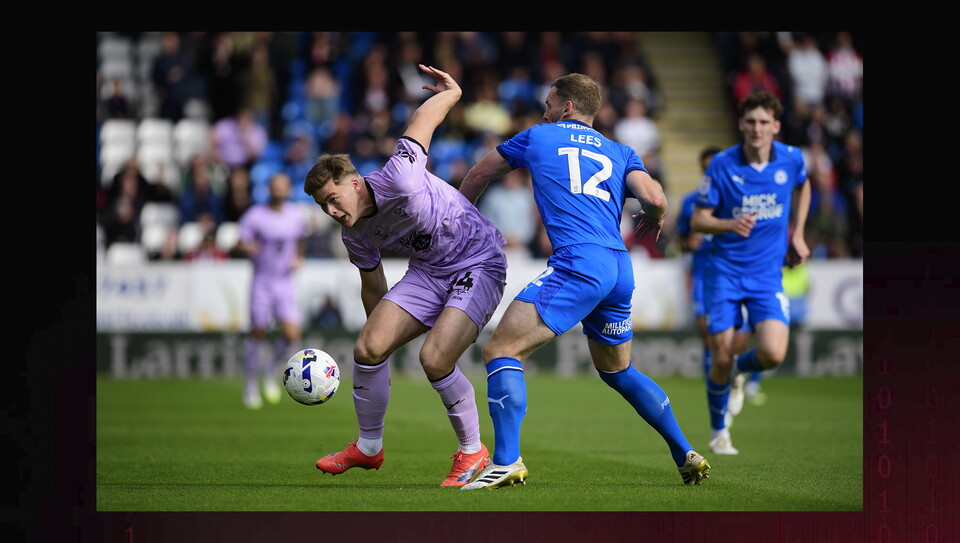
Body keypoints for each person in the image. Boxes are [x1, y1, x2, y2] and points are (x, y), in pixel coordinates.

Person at [458, 72, 711, 490]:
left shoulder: (539, 136)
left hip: (578, 263)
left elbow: (478, 175)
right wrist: (656, 219)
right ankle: (684, 451)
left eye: (549, 104)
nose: (545, 111)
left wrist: (459, 223)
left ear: (567, 108)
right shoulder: (620, 150)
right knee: (618, 370)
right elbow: (657, 199)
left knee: (502, 348)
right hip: (618, 267)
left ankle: (506, 461)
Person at [303, 65, 506, 487]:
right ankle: (368, 448)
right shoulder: (354, 233)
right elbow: (373, 286)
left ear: (355, 182)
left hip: (478, 261)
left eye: (334, 199)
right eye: (324, 206)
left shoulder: (401, 175)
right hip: (430, 272)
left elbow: (421, 121)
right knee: (368, 347)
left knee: (434, 358)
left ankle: (473, 452)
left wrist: (452, 92)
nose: (332, 211)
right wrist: (383, 334)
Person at [690, 91, 811, 455]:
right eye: (750, 122)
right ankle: (718, 432)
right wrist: (729, 224)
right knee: (720, 357)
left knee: (773, 354)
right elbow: (698, 219)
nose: (757, 128)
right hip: (724, 272)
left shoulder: (792, 159)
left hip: (766, 274)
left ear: (775, 126)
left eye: (764, 122)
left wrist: (800, 233)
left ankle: (741, 373)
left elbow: (804, 186)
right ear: (742, 124)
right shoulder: (722, 165)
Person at [676, 147, 753, 404]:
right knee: (706, 333)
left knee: (738, 339)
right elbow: (678, 239)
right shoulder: (691, 202)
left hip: (734, 271)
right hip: (703, 272)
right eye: (705, 166)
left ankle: (735, 372)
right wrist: (688, 244)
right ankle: (715, 387)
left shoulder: (741, 198)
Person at [235, 172, 308, 409]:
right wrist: (247, 247)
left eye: (283, 187)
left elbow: (300, 240)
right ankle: (250, 384)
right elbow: (240, 242)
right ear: (269, 189)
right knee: (258, 332)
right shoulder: (256, 216)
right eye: (275, 187)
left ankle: (269, 369)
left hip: (284, 282)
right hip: (262, 282)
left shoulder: (295, 215)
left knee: (292, 333)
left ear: (287, 189)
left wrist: (298, 257)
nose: (279, 191)